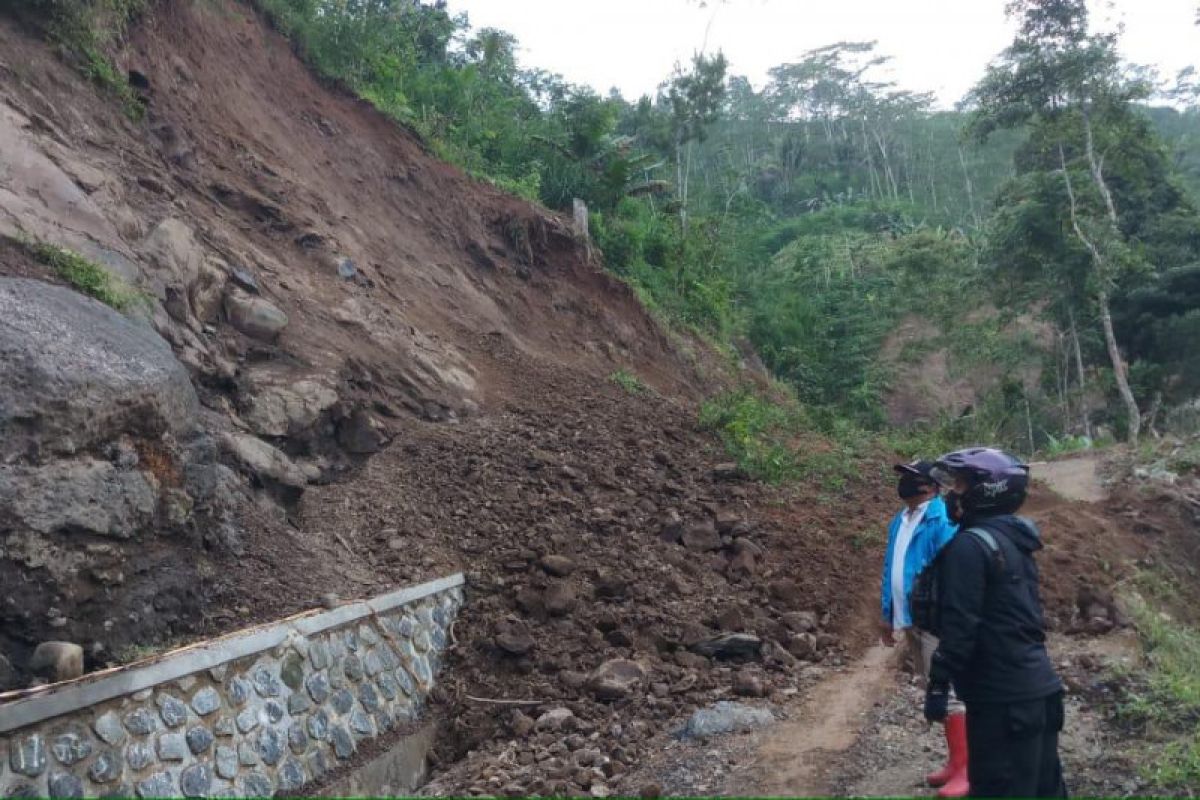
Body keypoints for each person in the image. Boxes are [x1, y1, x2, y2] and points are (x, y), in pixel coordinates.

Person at [919, 447, 1067, 798]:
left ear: (986, 491)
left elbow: (960, 628)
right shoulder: (1015, 540)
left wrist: (938, 685)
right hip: (1040, 691)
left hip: (1002, 701)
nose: (952, 495)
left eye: (959, 485)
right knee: (1045, 789)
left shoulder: (968, 548)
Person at [878, 460, 964, 797]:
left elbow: (950, 572)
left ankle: (966, 768)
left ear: (930, 486)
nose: (904, 484)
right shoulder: (898, 521)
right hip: (910, 618)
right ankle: (955, 762)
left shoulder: (941, 520)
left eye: (911, 479)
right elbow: (891, 568)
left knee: (951, 692)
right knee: (934, 689)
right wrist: (887, 613)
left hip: (934, 619)